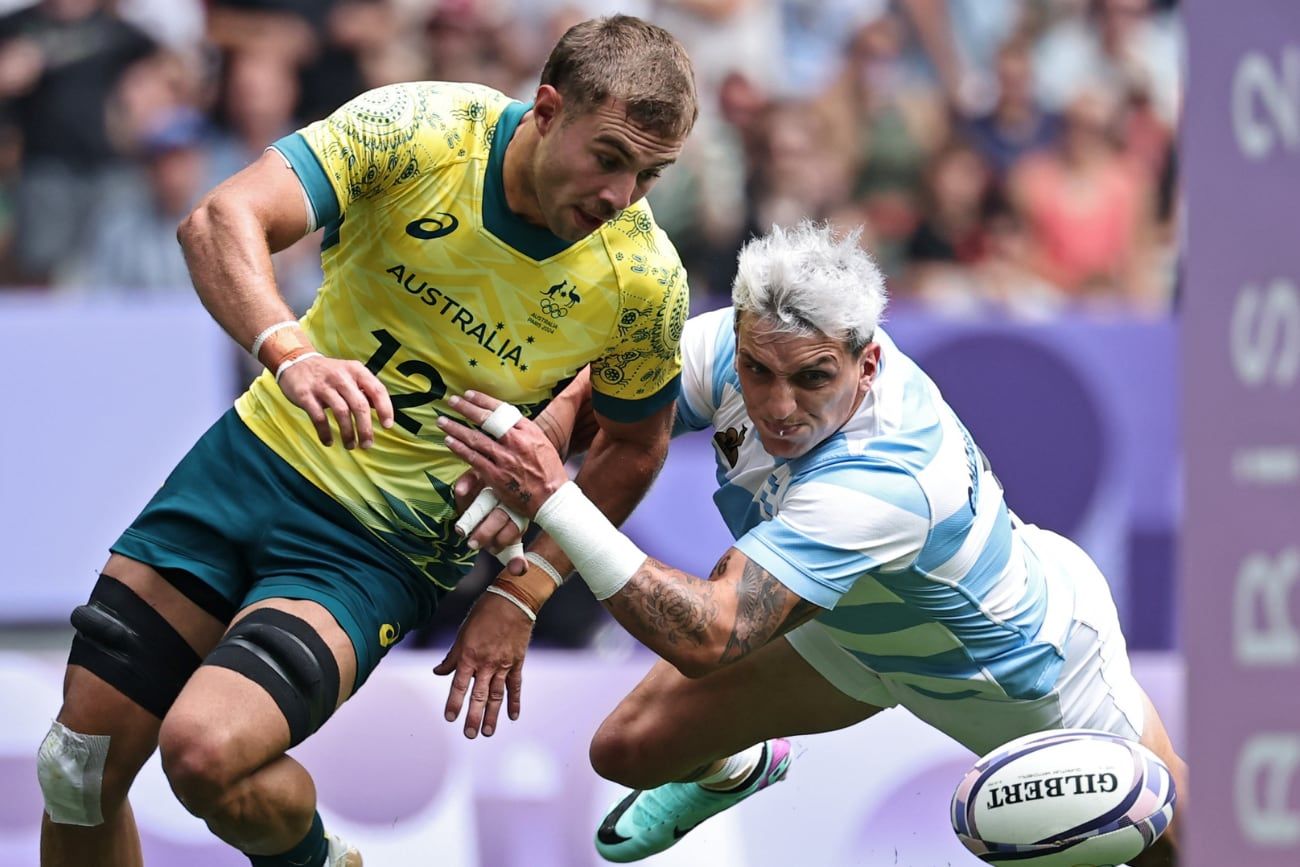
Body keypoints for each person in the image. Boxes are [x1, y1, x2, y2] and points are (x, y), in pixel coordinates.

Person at [36, 15, 696, 867]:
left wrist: (523, 590)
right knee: (74, 769)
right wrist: (290, 351)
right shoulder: (421, 130)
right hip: (249, 462)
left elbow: (636, 445)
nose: (621, 195)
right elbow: (219, 219)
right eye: (609, 157)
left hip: (376, 547)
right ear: (546, 109)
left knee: (205, 755)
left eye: (649, 174)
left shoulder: (643, 278)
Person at [436, 220, 1189, 866]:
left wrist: (554, 499)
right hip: (845, 635)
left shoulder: (885, 476)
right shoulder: (741, 343)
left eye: (811, 378)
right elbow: (610, 404)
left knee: (1173, 839)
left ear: (866, 362)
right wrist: (547, 446)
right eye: (760, 372)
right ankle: (738, 766)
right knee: (625, 750)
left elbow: (712, 631)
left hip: (1014, 674)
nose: (777, 405)